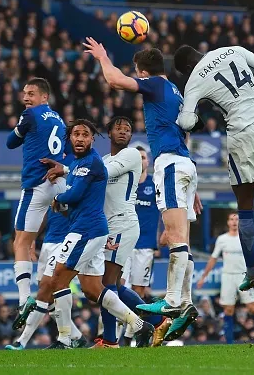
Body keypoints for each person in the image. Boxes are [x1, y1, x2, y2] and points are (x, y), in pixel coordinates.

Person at [82, 39, 199, 341]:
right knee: (181, 237)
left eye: (138, 71)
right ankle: (184, 300)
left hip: (171, 163)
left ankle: (174, 302)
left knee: (174, 237)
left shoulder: (156, 86)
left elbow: (114, 80)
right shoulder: (174, 90)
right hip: (185, 162)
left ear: (143, 72)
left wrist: (103, 56)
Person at [173, 44, 254, 298]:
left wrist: (195, 119)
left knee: (245, 204)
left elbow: (187, 121)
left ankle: (251, 271)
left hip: (242, 132)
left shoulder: (195, 80)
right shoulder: (233, 50)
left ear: (187, 69)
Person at [44, 119, 154, 349]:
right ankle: (137, 324)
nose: (81, 138)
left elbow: (78, 191)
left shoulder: (117, 158)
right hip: (98, 227)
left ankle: (70, 338)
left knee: (60, 278)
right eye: (76, 134)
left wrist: (58, 198)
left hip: (97, 227)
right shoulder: (88, 162)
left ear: (94, 138)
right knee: (94, 288)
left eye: (85, 135)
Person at [92, 116, 162, 348]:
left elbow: (102, 173)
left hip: (123, 223)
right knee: (114, 286)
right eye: (118, 128)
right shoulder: (102, 159)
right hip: (108, 225)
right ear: (109, 132)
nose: (123, 132)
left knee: (106, 284)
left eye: (128, 129)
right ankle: (157, 320)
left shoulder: (131, 155)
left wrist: (73, 167)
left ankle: (110, 340)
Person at [6, 77, 67, 330]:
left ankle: (23, 300)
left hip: (35, 185)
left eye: (31, 93)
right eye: (24, 93)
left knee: (20, 241)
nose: (26, 98)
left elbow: (11, 142)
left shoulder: (29, 116)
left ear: (44, 97)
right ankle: (68, 331)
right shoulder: (60, 120)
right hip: (59, 184)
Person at [5, 208, 87, 350]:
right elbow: (45, 214)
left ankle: (22, 341)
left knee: (44, 292)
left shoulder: (76, 186)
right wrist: (32, 239)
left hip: (65, 243)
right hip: (48, 242)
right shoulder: (52, 187)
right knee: (48, 298)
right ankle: (76, 336)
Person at [120, 146, 171, 346]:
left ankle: (136, 330)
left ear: (148, 162)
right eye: (137, 157)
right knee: (119, 287)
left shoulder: (154, 184)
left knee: (139, 291)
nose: (141, 161)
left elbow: (165, 207)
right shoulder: (127, 184)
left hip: (146, 244)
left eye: (143, 157)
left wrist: (166, 230)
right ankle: (118, 335)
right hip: (125, 243)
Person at [197, 213, 254, 344]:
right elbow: (213, 259)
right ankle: (230, 342)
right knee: (228, 309)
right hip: (228, 276)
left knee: (253, 308)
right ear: (228, 222)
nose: (234, 222)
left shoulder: (247, 237)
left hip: (244, 276)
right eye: (231, 219)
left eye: (236, 219)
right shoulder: (222, 239)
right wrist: (203, 277)